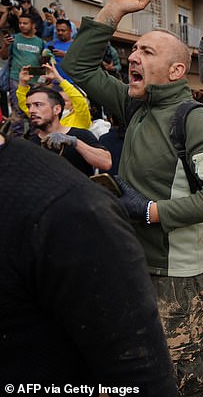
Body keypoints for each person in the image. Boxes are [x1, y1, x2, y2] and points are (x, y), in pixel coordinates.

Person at [62, 0, 203, 396]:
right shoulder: (135, 104)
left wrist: (149, 211)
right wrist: (114, 9)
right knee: (139, 365)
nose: (133, 57)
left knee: (182, 376)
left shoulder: (194, 119)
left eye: (147, 52)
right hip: (131, 259)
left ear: (177, 71)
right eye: (134, 50)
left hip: (175, 272)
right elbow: (80, 67)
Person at [0, 131, 177, 395]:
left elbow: (140, 373)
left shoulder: (69, 208)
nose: (33, 110)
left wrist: (150, 211)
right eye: (31, 105)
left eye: (40, 104)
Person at [26, 86, 111, 175]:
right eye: (28, 106)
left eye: (38, 105)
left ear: (57, 109)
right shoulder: (30, 143)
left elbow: (106, 163)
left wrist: (75, 142)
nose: (31, 110)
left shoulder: (81, 135)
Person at [0, 13, 45, 136]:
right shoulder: (14, 38)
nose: (22, 26)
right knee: (18, 111)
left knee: (35, 110)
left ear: (32, 25)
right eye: (20, 23)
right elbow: (3, 56)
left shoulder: (40, 42)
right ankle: (17, 140)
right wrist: (5, 45)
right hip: (16, 80)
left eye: (25, 23)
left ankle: (35, 138)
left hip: (35, 81)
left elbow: (43, 63)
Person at [17, 62, 91, 130]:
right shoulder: (47, 116)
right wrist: (22, 83)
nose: (60, 103)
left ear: (73, 105)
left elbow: (79, 100)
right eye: (58, 100)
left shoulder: (80, 119)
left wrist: (58, 78)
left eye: (64, 101)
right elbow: (26, 104)